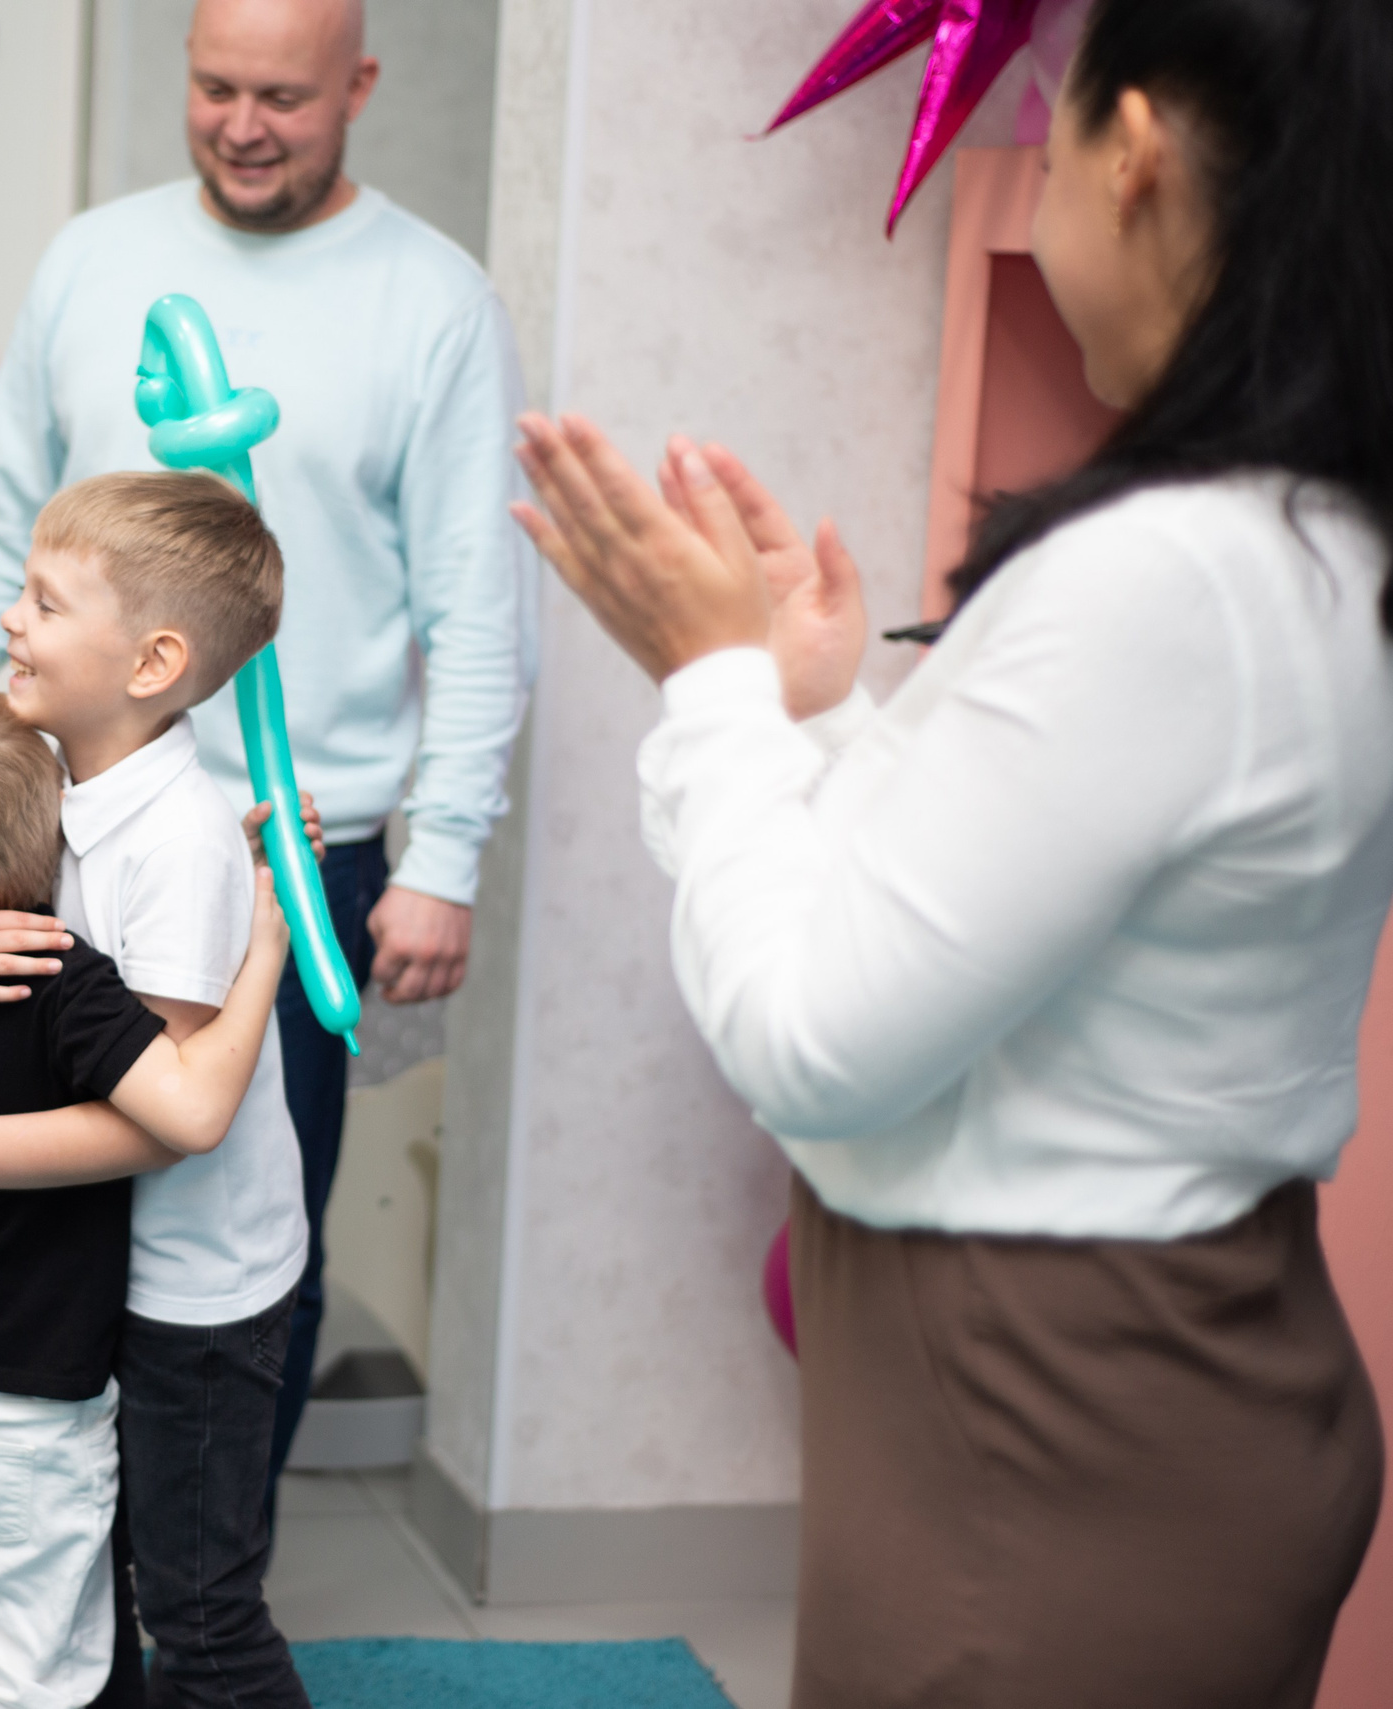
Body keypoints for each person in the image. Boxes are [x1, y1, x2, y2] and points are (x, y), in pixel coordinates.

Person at [510, 0, 1393, 1702]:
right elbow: (1018, 897)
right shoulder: (1313, 538)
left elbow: (811, 1037)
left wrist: (710, 691)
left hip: (1049, 1436)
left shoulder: (1168, 575)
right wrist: (820, 711)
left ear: (1128, 150)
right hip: (1182, 1386)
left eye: (1048, 127)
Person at [0, 0, 537, 1500]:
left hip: (286, 853)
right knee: (26, 1191)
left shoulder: (434, 303)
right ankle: (24, 1549)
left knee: (240, 1233)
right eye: (214, 88)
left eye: (284, 96)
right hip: (51, 818)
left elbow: (477, 600)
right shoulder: (93, 260)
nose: (243, 123)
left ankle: (202, 1575)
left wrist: (442, 858)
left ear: (360, 87)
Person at [0, 473, 313, 1708]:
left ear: (152, 660)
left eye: (45, 601)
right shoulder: (40, 773)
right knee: (77, 1590)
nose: (10, 619)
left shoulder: (178, 846)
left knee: (195, 1605)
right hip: (89, 1271)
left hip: (190, 1287)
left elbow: (164, 1123)